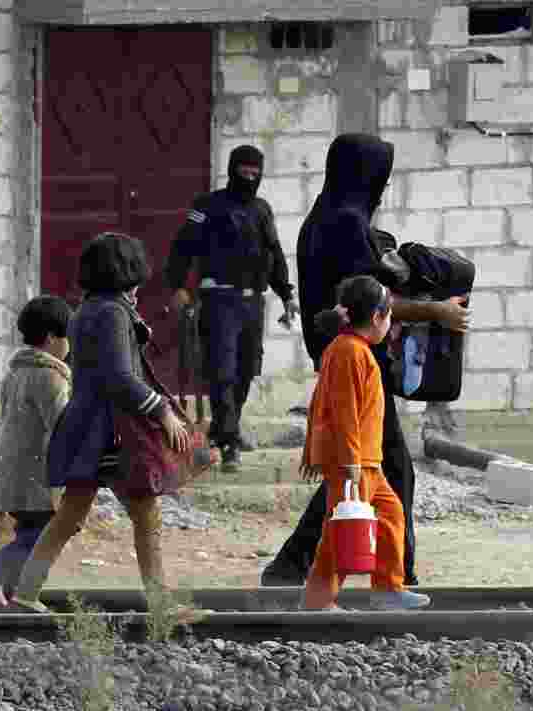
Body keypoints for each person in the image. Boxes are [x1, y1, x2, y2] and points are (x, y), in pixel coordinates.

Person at [260, 133, 470, 588]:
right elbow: (367, 304)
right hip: (357, 360)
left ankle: (294, 567)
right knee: (390, 471)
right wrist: (436, 311)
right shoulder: (345, 224)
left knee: (369, 470)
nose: (385, 186)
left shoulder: (325, 217)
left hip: (344, 355)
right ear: (365, 175)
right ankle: (394, 579)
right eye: (382, 176)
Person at [8, 232, 194, 613]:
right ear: (126, 272)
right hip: (112, 434)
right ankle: (161, 604)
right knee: (146, 515)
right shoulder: (112, 313)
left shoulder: (86, 311)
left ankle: (26, 593)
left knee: (68, 516)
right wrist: (161, 410)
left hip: (86, 429)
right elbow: (120, 377)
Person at [299, 277, 430, 611]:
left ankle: (387, 588)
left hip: (367, 461)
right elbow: (343, 412)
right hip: (355, 462)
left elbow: (320, 404)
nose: (391, 323)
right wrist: (350, 462)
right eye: (389, 316)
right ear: (376, 317)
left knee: (391, 515)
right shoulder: (349, 352)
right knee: (341, 531)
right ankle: (318, 601)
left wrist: (317, 452)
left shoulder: (351, 349)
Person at [165, 144, 299, 471]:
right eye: (244, 171)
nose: (250, 178)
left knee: (246, 369)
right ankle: (229, 442)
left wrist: (286, 294)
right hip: (218, 299)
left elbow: (274, 253)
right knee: (222, 370)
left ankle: (224, 429)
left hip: (253, 301)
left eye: (256, 172)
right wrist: (179, 285)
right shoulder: (207, 206)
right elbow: (183, 246)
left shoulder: (262, 210)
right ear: (232, 170)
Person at [0, 295, 73, 608]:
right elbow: (63, 427)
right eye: (67, 337)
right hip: (36, 479)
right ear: (53, 338)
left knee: (29, 534)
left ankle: (15, 598)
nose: (69, 345)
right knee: (43, 538)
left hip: (12, 474)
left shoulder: (15, 373)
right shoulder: (50, 377)